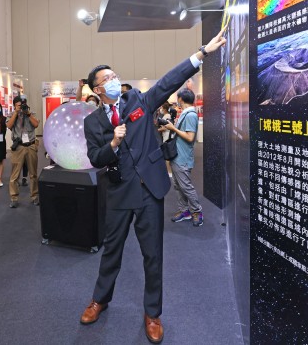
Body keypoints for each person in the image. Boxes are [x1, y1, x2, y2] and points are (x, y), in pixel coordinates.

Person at [79, 30, 226, 344]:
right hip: (118, 193)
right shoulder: (92, 123)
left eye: (116, 75)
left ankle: (152, 314)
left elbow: (168, 81)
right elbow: (95, 158)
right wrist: (114, 144)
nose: (115, 79)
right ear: (97, 89)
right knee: (111, 253)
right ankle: (99, 300)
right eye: (108, 78)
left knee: (152, 256)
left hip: (149, 191)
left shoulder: (138, 101)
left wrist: (202, 53)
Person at [164, 90, 203, 226]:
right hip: (177, 155)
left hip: (183, 157)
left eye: (177, 98)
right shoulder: (185, 113)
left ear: (181, 99)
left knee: (186, 186)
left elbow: (190, 137)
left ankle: (197, 212)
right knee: (178, 185)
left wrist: (173, 129)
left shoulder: (191, 115)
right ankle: (184, 211)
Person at [6, 95, 39, 208]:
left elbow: (36, 124)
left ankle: (35, 196)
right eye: (19, 105)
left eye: (23, 104)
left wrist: (28, 114)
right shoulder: (12, 114)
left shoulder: (31, 113)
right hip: (18, 146)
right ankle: (14, 198)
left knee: (33, 174)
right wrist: (16, 112)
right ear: (15, 105)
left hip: (31, 145)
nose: (22, 107)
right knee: (15, 175)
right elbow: (9, 125)